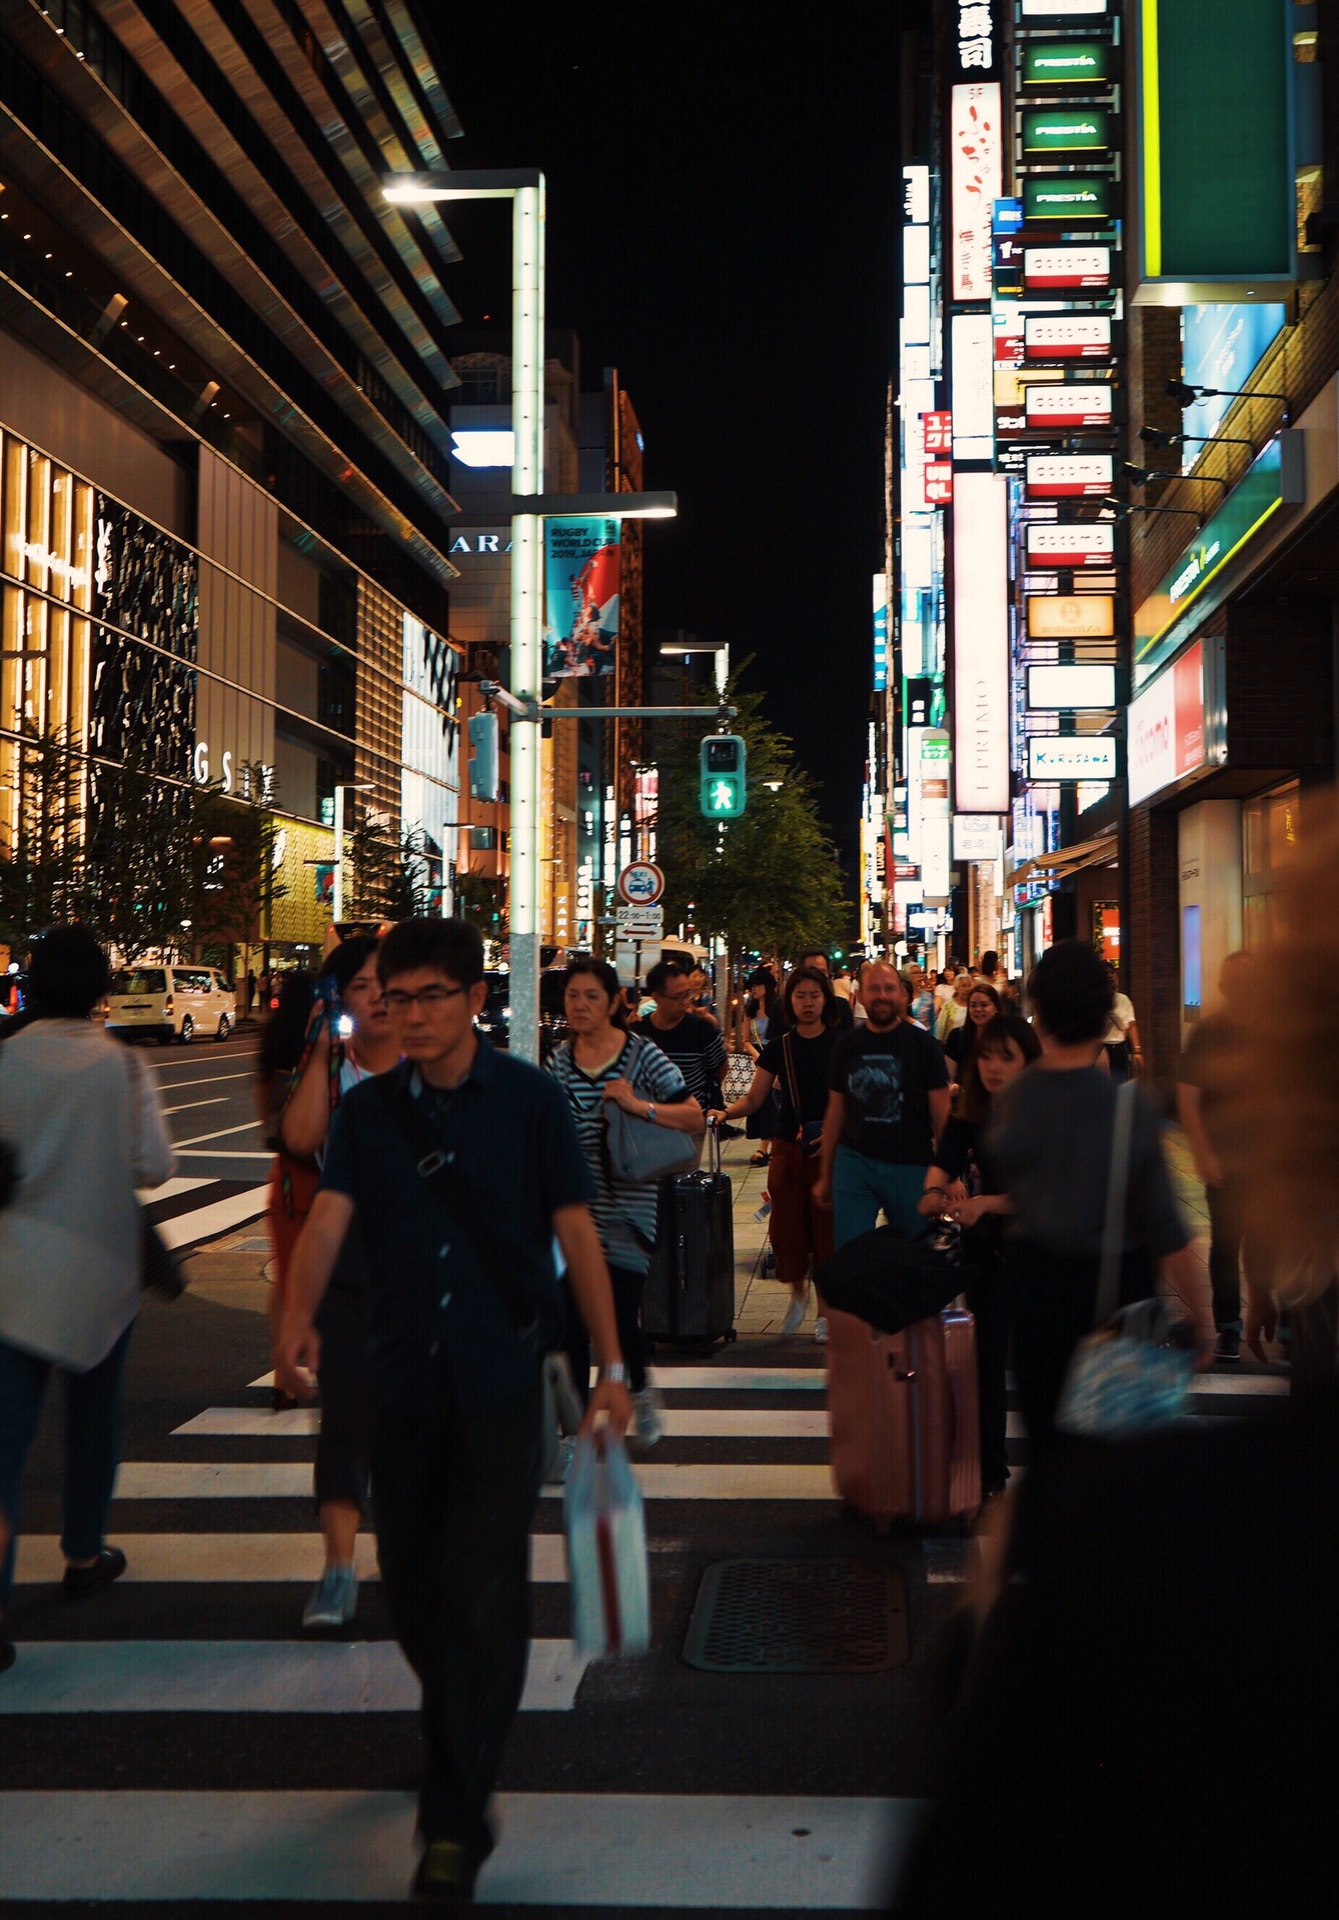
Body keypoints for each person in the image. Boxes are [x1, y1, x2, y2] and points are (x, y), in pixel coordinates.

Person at [276, 918, 631, 1903]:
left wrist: (609, 1365)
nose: (408, 1012)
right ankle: (459, 1725)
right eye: (395, 994)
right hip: (399, 1379)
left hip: (499, 1381)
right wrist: (295, 1319)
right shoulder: (369, 1112)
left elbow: (576, 1231)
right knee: (416, 1590)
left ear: (477, 998)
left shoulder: (527, 1101)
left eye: (432, 994)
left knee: (484, 1590)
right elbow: (329, 1217)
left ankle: (454, 1820)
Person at [0, 924, 174, 1676]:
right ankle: (82, 1552)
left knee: (3, 1448)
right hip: (102, 1272)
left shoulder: (3, 1058)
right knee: (93, 1424)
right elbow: (156, 1165)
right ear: (101, 987)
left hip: (11, 1275)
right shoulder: (123, 1066)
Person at [988, 940, 1210, 1452]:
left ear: (1038, 1011)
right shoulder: (1130, 1111)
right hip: (1115, 1299)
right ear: (1104, 1017)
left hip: (1035, 1295)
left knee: (1051, 1451)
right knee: (1114, 1468)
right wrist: (1201, 1317)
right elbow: (1167, 1230)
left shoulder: (1013, 1101)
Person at [278, 937, 399, 1631]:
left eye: (388, 982)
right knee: (345, 1423)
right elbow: (299, 1140)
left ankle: (412, 1554)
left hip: (421, 1274)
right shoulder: (332, 1075)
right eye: (360, 985)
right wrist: (323, 1049)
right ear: (339, 999)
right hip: (347, 1270)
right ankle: (337, 1569)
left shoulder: (435, 1070)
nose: (377, 995)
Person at [547, 958, 703, 1447]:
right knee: (571, 1324)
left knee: (616, 1314)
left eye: (592, 996)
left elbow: (694, 1117)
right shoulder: (558, 1060)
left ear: (614, 1001)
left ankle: (637, 1388)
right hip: (575, 1209)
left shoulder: (643, 1056)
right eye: (573, 996)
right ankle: (572, 1435)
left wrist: (640, 1106)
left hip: (630, 1206)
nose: (580, 1006)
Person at [918, 1013, 1042, 1495]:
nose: (992, 1067)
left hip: (1041, 1248)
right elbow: (943, 1161)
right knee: (986, 1364)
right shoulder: (972, 1109)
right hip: (991, 1249)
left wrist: (985, 1203)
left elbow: (1049, 1192)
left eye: (1005, 1057)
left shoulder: (1043, 1111)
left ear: (1028, 1061)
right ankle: (992, 1472)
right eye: (986, 1056)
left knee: (1038, 1362)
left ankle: (1057, 1469)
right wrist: (932, 1194)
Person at [712, 966, 842, 1341]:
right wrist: (725, 1112)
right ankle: (798, 1295)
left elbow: (851, 1099)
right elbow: (755, 1098)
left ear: (825, 999)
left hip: (827, 1149)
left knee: (826, 1232)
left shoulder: (840, 1044)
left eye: (814, 996)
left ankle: (824, 1314)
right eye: (800, 996)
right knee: (786, 1229)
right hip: (787, 1146)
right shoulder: (780, 1047)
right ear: (790, 1002)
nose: (807, 1003)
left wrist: (837, 1135)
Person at [815, 960, 951, 1253]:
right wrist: (826, 1175)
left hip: (911, 1162)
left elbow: (942, 1114)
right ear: (860, 995)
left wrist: (947, 1175)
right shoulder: (846, 1046)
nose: (883, 996)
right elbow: (835, 1112)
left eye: (890, 988)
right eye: (874, 989)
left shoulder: (924, 1045)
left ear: (903, 994)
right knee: (851, 1255)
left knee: (917, 1256)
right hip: (855, 1162)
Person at [1177, 950, 1259, 1364]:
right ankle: (1229, 1326)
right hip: (1225, 1160)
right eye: (1233, 981)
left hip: (1269, 1161)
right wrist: (1204, 1154)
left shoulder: (1278, 1031)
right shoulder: (1209, 1033)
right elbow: (1188, 1099)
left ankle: (1281, 1318)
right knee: (1227, 1245)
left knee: (1270, 1242)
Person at [255, 968, 315, 1392]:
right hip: (315, 1175)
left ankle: (282, 1371)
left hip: (285, 1176)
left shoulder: (272, 1042)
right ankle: (317, 1366)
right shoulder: (319, 1047)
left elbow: (265, 1117)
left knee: (285, 1277)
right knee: (319, 1279)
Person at [632, 958, 727, 1112]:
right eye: (677, 997)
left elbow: (720, 1065)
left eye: (687, 995)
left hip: (690, 1121)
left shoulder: (702, 1030)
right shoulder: (639, 1032)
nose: (685, 1002)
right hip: (646, 1122)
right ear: (656, 997)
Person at [943, 983, 1001, 1090]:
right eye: (973, 1005)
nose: (978, 1009)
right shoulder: (957, 1036)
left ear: (996, 1006)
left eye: (984, 1005)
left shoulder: (1005, 1037)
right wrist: (952, 1087)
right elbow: (947, 1076)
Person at [794, 948, 855, 1030]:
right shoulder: (781, 1008)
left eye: (822, 972)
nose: (817, 976)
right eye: (811, 971)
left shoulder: (841, 1007)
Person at [1102, 962, 1142, 1082]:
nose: (1110, 976)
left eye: (1112, 973)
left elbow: (1131, 1025)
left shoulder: (1123, 1000)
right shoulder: (1094, 1001)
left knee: (1119, 1082)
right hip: (1100, 1048)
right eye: (1106, 974)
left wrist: (1137, 1050)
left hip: (1118, 1048)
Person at [936, 970, 974, 1046]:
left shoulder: (974, 1005)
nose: (967, 989)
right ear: (956, 988)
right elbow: (940, 1028)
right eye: (963, 986)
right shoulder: (948, 1006)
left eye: (969, 985)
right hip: (952, 1046)